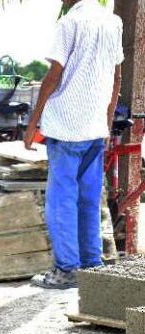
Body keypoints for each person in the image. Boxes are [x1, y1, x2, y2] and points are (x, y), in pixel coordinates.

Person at [23, 0, 123, 289]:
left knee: (61, 199)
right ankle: (92, 265)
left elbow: (53, 76)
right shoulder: (112, 22)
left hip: (67, 126)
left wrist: (33, 123)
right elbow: (116, 78)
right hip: (94, 127)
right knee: (89, 199)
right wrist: (106, 119)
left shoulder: (69, 23)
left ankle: (66, 269)